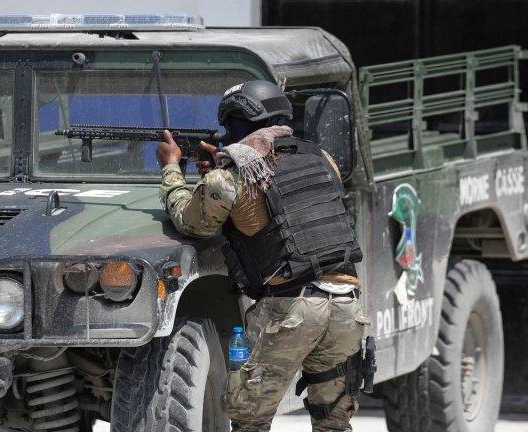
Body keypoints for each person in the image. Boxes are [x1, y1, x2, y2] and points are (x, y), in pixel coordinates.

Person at [156, 80, 370, 432]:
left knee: (249, 422)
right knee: (333, 423)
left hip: (292, 310)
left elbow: (190, 222)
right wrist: (221, 170)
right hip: (346, 304)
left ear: (239, 122)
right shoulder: (321, 158)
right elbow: (285, 202)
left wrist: (172, 168)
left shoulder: (233, 175)